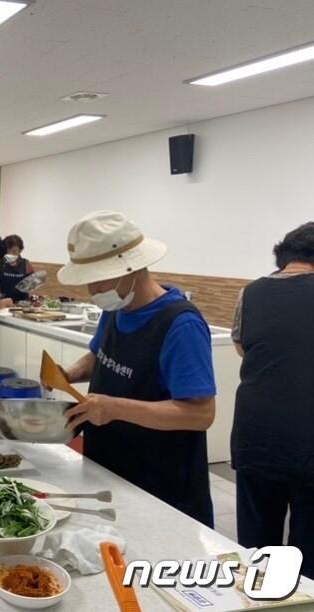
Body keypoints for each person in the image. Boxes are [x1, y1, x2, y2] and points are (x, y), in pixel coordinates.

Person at [57, 211, 216, 526]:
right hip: (108, 466)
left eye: (99, 278)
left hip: (161, 485)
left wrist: (115, 408)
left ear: (131, 268)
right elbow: (100, 356)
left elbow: (201, 414)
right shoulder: (117, 308)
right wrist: (71, 373)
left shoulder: (180, 325)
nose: (92, 290)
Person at [230, 222, 314, 579]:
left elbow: (241, 346)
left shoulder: (250, 293)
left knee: (257, 549)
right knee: (307, 554)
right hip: (309, 440)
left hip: (255, 436)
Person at [0, 234, 35, 302]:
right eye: (8, 250)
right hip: (3, 302)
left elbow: (32, 283)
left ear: (20, 250)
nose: (10, 254)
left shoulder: (26, 264)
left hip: (21, 303)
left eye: (14, 251)